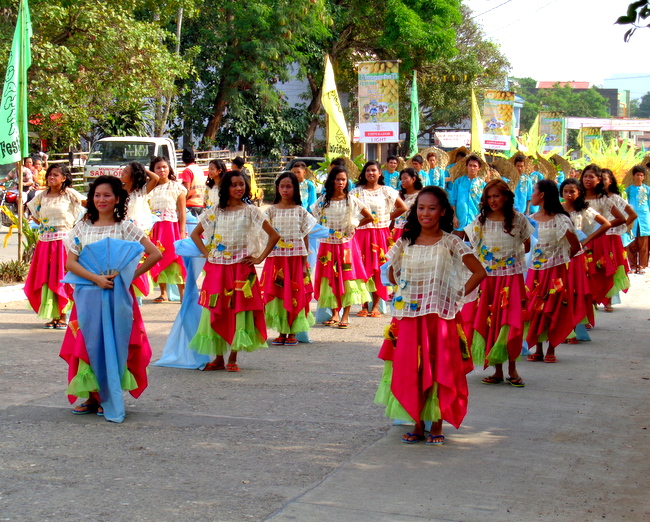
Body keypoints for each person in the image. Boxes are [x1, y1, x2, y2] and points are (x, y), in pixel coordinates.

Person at [375, 186, 486, 445]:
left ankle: (436, 424)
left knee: (438, 367)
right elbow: (390, 274)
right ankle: (416, 423)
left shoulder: (451, 241)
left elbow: (479, 272)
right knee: (412, 367)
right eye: (421, 208)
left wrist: (457, 295)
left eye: (432, 208)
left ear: (443, 211)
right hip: (408, 318)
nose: (425, 213)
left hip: (440, 318)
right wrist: (398, 276)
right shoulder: (405, 241)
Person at [61, 175, 162, 422]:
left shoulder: (126, 227)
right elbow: (70, 263)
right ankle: (92, 397)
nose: (101, 199)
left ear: (117, 198)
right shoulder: (81, 227)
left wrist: (129, 275)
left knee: (116, 344)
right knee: (88, 344)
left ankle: (110, 396)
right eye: (97, 195)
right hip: (87, 296)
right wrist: (96, 279)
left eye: (107, 195)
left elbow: (155, 254)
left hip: (118, 298)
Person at [189, 171, 280, 372]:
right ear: (226, 188)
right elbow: (195, 234)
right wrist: (207, 254)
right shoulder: (215, 211)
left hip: (241, 269)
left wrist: (259, 258)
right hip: (217, 269)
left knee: (238, 309)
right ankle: (218, 358)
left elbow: (274, 236)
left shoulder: (251, 211)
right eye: (234, 185)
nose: (239, 188)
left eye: (242, 184)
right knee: (217, 307)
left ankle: (233, 357)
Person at [465, 180, 533, 387]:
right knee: (491, 321)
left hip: (511, 279)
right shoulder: (480, 221)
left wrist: (508, 257)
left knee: (509, 322)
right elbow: (473, 248)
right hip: (487, 281)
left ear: (506, 197)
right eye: (489, 196)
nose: (493, 200)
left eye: (497, 196)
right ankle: (497, 371)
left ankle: (512, 369)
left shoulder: (519, 220)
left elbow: (527, 246)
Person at [525, 180, 581, 363]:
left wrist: (560, 261)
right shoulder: (531, 218)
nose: (531, 194)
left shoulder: (561, 219)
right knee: (536, 309)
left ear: (541, 195)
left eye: (534, 191)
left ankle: (551, 348)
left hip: (555, 272)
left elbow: (575, 246)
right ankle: (538, 349)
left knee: (553, 308)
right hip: (535, 272)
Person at [24, 165, 86, 329]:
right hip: (45, 242)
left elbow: (90, 205)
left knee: (62, 276)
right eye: (50, 174)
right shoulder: (41, 196)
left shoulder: (70, 194)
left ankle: (63, 315)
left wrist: (78, 225)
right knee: (47, 276)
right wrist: (47, 226)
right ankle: (54, 315)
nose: (51, 177)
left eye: (55, 175)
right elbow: (35, 215)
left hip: (63, 242)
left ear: (64, 178)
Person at [312, 166, 373, 329]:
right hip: (327, 246)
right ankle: (334, 313)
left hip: (346, 246)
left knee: (347, 279)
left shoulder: (351, 200)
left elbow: (370, 217)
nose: (340, 182)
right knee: (330, 278)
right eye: (338, 179)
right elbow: (311, 218)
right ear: (332, 180)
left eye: (343, 179)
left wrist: (353, 226)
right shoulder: (323, 200)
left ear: (347, 182)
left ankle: (345, 315)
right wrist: (322, 230)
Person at [261, 172, 317, 345]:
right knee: (278, 292)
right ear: (277, 188)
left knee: (295, 292)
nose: (285, 190)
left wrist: (303, 262)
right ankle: (281, 331)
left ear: (295, 189)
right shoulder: (269, 211)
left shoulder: (301, 212)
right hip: (276, 259)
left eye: (289, 186)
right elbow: (264, 236)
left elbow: (305, 237)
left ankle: (293, 332)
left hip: (295, 260)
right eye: (282, 186)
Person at [351, 161, 407, 317]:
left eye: (374, 170)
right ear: (364, 173)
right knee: (363, 268)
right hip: (361, 233)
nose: (371, 173)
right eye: (368, 170)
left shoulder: (387, 191)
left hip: (380, 233)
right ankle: (364, 304)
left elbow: (403, 207)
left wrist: (386, 217)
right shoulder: (355, 192)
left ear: (379, 173)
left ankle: (376, 306)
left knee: (378, 268)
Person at [560, 178, 610, 340]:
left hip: (577, 256)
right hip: (560, 256)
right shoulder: (557, 209)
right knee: (562, 292)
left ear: (579, 192)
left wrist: (587, 240)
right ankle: (564, 329)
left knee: (576, 292)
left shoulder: (584, 210)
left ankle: (576, 328)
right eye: (565, 191)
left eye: (572, 191)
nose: (568, 194)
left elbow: (606, 224)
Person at [580, 164, 627, 306]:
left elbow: (621, 218)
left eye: (591, 176)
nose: (587, 179)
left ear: (599, 180)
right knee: (581, 277)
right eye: (585, 176)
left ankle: (595, 305)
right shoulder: (577, 196)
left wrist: (602, 227)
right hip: (579, 241)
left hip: (598, 242)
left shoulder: (603, 199)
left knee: (595, 276)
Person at [148, 156, 187, 303]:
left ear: (169, 168)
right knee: (158, 257)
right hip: (155, 228)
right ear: (153, 170)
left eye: (164, 167)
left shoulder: (177, 187)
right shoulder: (150, 189)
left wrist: (182, 231)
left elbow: (182, 211)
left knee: (177, 258)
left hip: (172, 227)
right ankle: (163, 293)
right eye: (158, 167)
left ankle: (182, 293)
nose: (162, 170)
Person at [602, 168, 637, 310]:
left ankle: (608, 301)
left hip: (611, 238)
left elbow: (632, 215)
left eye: (604, 179)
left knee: (610, 268)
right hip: (594, 238)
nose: (601, 181)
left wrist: (620, 228)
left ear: (610, 181)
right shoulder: (591, 198)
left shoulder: (615, 198)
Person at [449, 155, 486, 231]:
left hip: (476, 219)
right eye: (470, 165)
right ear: (466, 166)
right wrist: (455, 216)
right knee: (458, 240)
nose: (472, 168)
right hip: (460, 218)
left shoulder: (483, 185)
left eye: (475, 166)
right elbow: (454, 200)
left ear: (479, 168)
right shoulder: (458, 182)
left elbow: (484, 204)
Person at [625, 165, 650, 275]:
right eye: (637, 175)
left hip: (644, 218)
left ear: (644, 177)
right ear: (633, 176)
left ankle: (642, 266)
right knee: (631, 243)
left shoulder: (648, 190)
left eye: (641, 175)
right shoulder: (628, 190)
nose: (639, 177)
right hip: (632, 219)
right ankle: (632, 265)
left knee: (643, 244)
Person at [121, 161, 159, 232]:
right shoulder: (118, 190)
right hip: (121, 226)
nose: (122, 174)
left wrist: (141, 170)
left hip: (137, 228)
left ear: (133, 176)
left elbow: (155, 178)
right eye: (123, 171)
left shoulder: (141, 192)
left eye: (126, 172)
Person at [391, 168, 422, 242]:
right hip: (397, 229)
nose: (402, 181)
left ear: (413, 179)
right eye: (401, 179)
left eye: (405, 178)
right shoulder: (398, 194)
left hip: (414, 229)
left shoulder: (421, 195)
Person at [179, 148, 206, 217]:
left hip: (191, 205)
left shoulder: (187, 170)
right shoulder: (199, 169)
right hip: (201, 203)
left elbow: (186, 190)